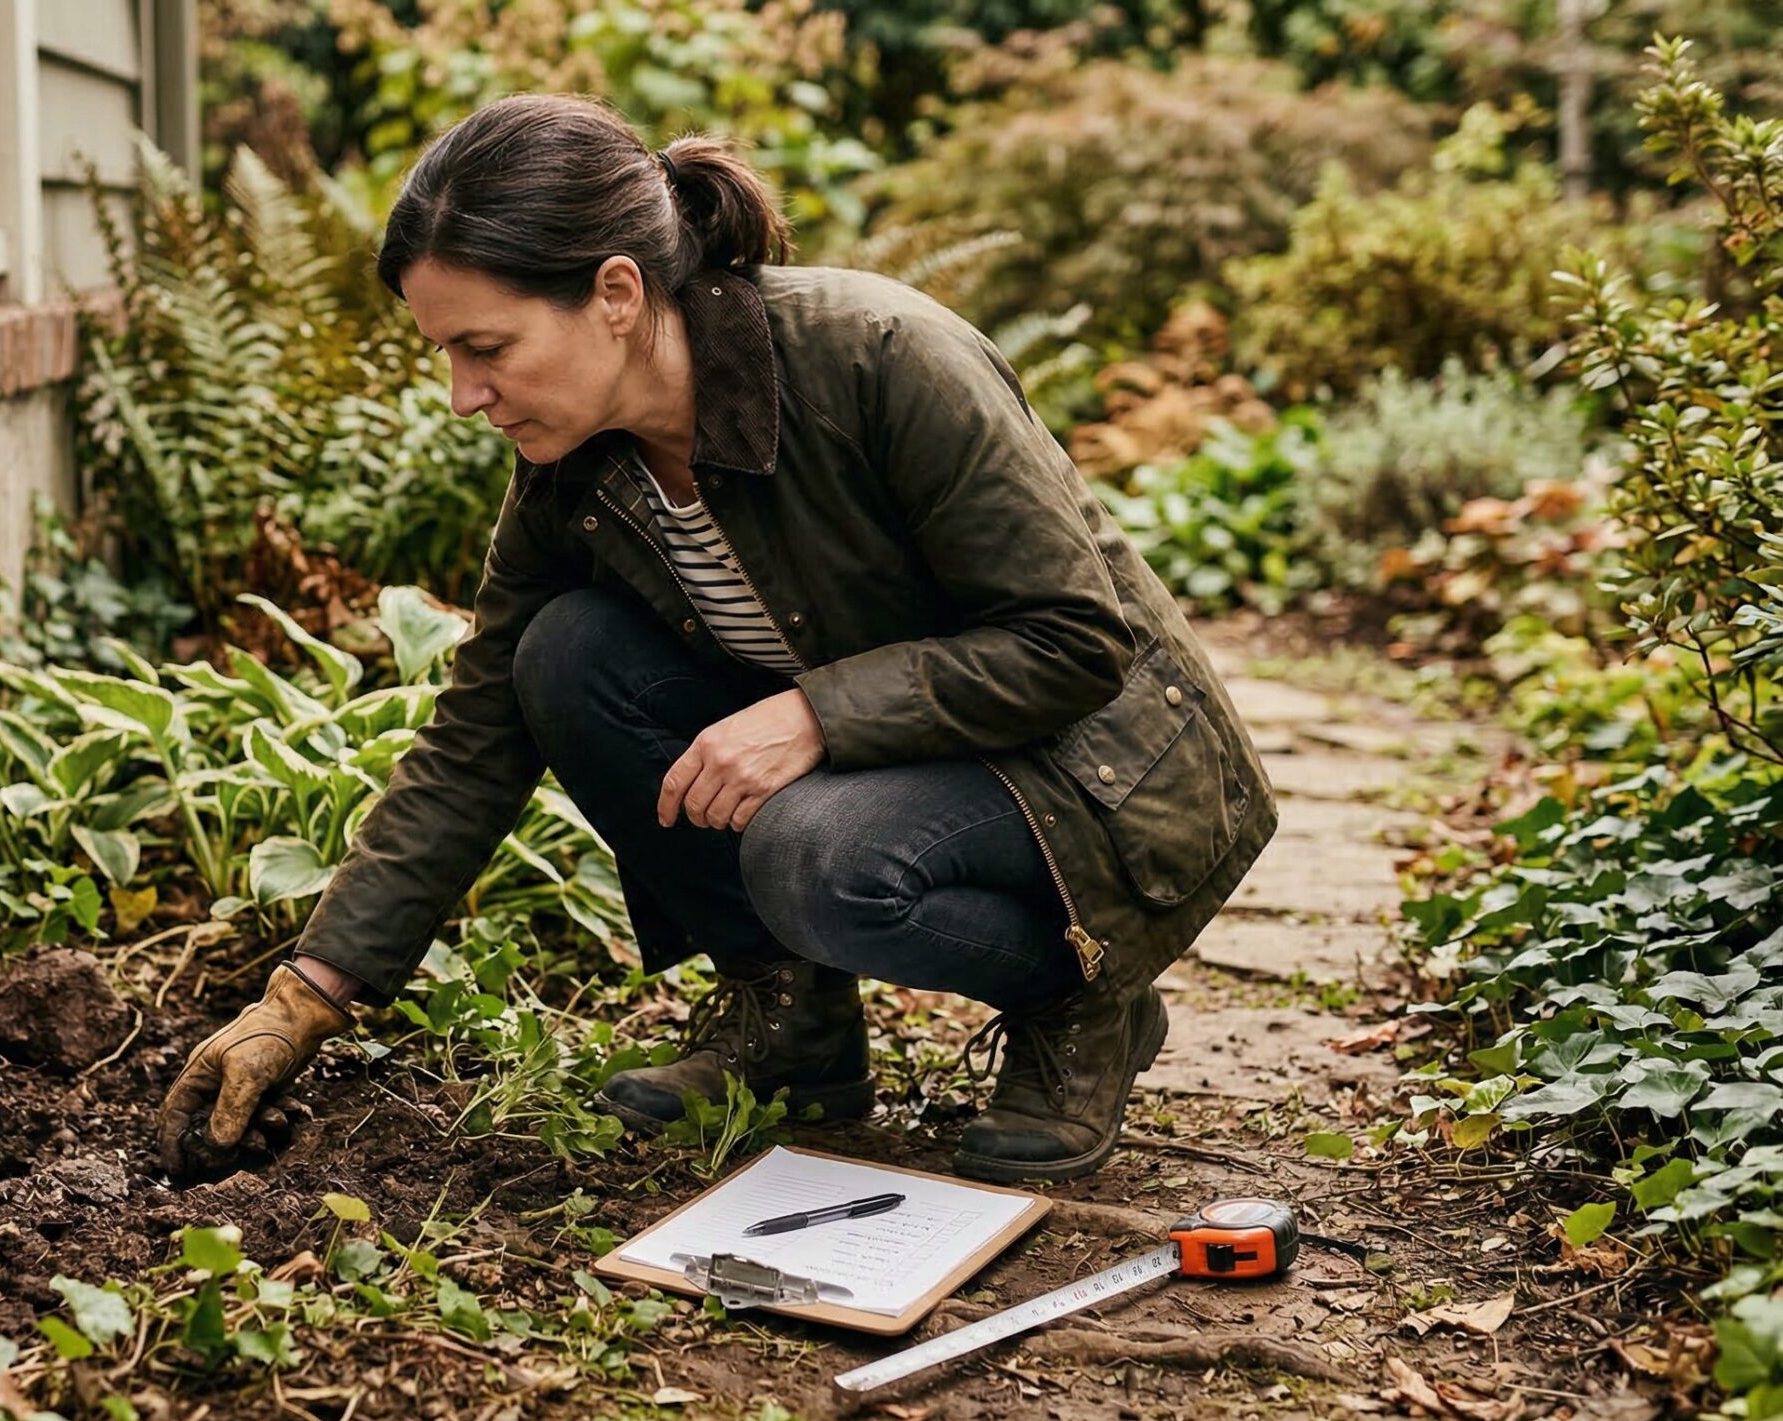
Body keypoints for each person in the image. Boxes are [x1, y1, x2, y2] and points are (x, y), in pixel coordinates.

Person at [156, 93, 1278, 1186]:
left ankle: (1078, 997)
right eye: (446, 353)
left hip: (1087, 768)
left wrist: (813, 715)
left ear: (614, 292)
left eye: (484, 347)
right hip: (904, 750)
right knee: (564, 655)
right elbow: (477, 733)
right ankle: (793, 1029)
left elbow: (1075, 640)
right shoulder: (575, 470)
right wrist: (302, 996)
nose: (462, 394)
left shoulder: (881, 358)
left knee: (813, 852)